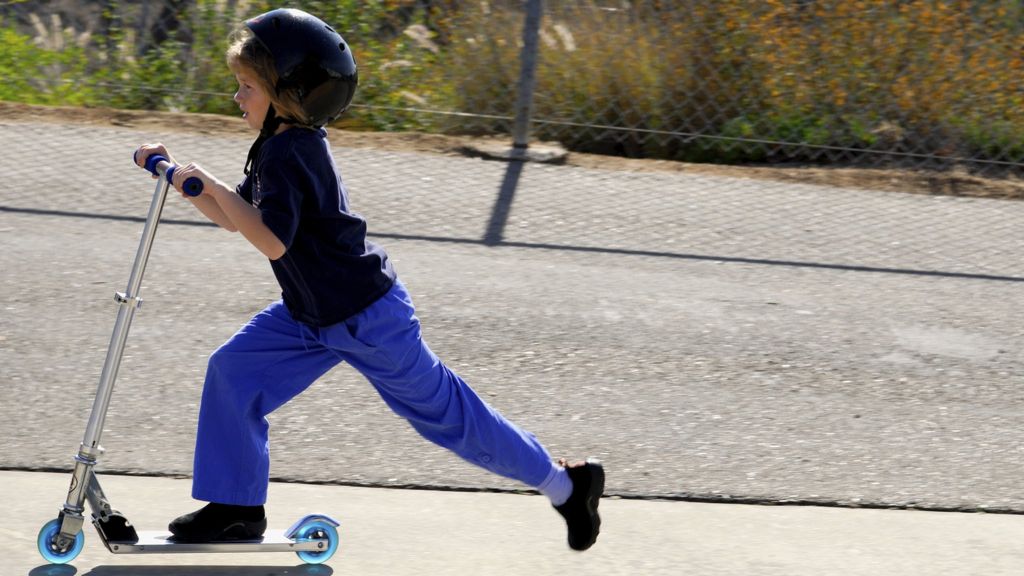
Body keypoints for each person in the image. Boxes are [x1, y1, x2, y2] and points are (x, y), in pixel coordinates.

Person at [133, 8, 603, 552]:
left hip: (364, 319)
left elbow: (269, 240)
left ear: (289, 95)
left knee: (446, 416)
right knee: (234, 372)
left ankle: (566, 485)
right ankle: (236, 508)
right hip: (310, 312)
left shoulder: (290, 152)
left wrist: (208, 182)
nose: (236, 97)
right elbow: (239, 216)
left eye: (246, 86)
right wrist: (183, 183)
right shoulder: (278, 144)